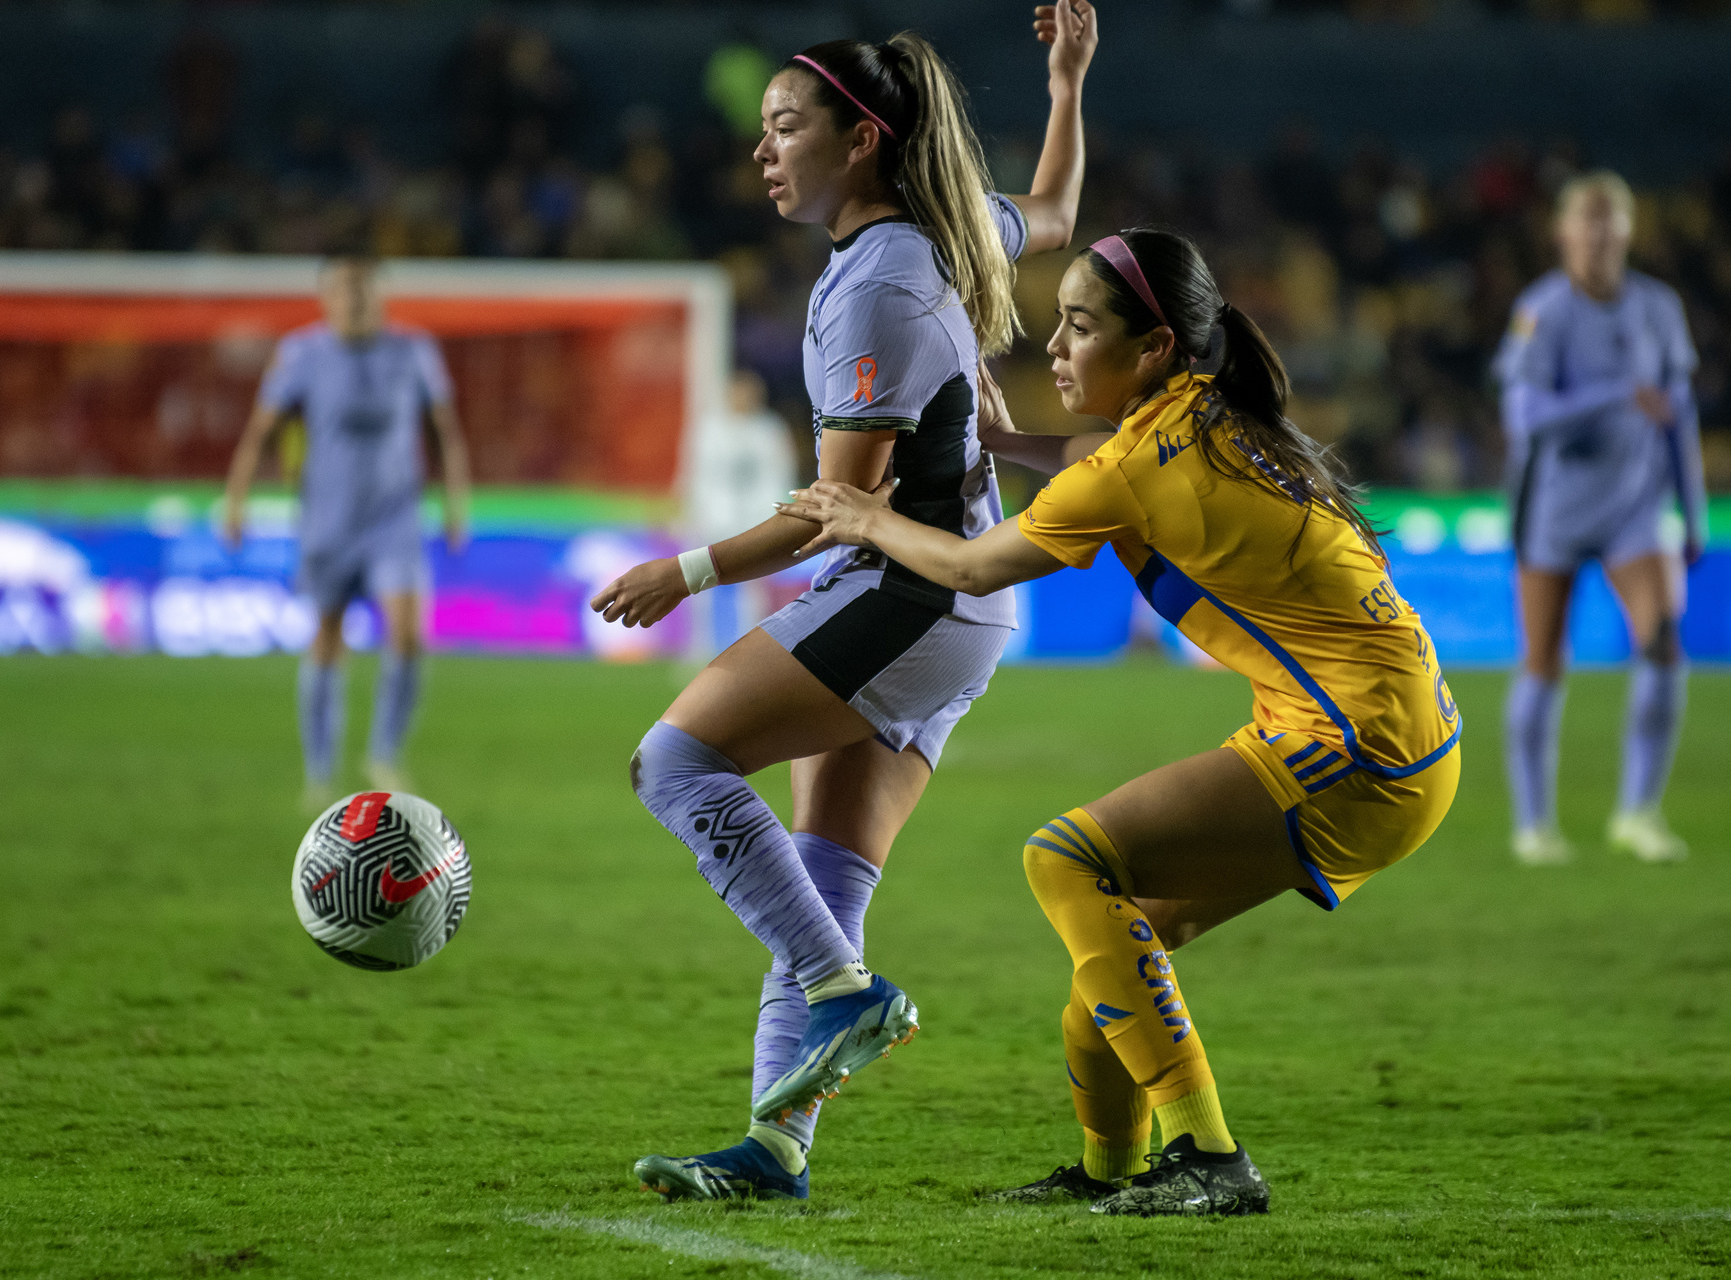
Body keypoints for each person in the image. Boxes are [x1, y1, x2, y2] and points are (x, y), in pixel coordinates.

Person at [778, 227, 1461, 1216]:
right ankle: (1112, 1172)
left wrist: (863, 514)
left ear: (1150, 352)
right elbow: (1096, 456)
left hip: (1352, 744)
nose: (1053, 345)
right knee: (1118, 942)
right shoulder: (1206, 408)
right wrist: (996, 441)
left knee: (1066, 859)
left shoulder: (1138, 462)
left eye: (1079, 325)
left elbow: (974, 565)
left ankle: (1210, 1156)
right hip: (1397, 731)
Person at [593, 4, 1099, 1202]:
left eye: (784, 127)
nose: (763, 151)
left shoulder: (874, 288)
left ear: (861, 136)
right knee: (820, 881)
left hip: (909, 590)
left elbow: (842, 503)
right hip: (959, 604)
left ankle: (849, 994)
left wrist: (689, 571)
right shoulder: (949, 227)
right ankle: (776, 1150)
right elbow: (1061, 213)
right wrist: (1069, 82)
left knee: (674, 764)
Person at [1495, 172, 1704, 867]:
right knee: (1544, 660)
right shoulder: (1543, 311)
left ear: (1627, 229)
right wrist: (1614, 393)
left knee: (1664, 640)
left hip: (1635, 510)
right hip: (1552, 508)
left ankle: (1639, 812)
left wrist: (1693, 508)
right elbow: (1526, 419)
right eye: (1587, 218)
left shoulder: (1658, 308)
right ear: (1563, 232)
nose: (1599, 231)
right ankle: (1534, 824)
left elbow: (1678, 417)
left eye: (1611, 218)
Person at [223, 255, 471, 807]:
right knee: (327, 636)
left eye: (362, 289)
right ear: (325, 298)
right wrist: (235, 500)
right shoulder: (301, 353)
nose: (354, 299)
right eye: (342, 290)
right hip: (327, 520)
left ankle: (384, 753)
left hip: (396, 517)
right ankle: (319, 770)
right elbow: (263, 428)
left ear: (380, 295)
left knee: (408, 631)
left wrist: (457, 503)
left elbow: (444, 431)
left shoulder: (413, 350)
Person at [682, 368, 799, 660]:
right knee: (699, 583)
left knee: (754, 586)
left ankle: (751, 647)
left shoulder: (769, 429)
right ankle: (700, 645)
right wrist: (691, 508)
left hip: (754, 518)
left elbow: (780, 474)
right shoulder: (709, 428)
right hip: (713, 517)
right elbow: (695, 472)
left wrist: (775, 514)